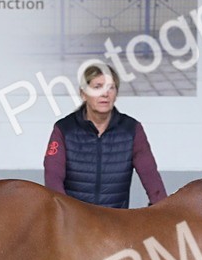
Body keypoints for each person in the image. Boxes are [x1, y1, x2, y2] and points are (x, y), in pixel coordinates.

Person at [43, 64, 167, 208]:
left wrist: (165, 212)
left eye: (111, 87)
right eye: (97, 87)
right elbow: (53, 180)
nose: (105, 94)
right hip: (74, 222)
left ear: (116, 94)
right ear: (83, 93)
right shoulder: (64, 129)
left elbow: (151, 177)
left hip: (115, 223)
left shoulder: (132, 129)